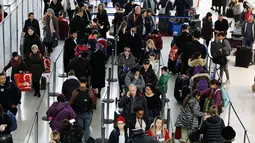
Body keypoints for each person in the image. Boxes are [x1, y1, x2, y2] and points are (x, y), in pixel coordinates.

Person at [69, 77, 94, 142]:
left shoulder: (75, 92)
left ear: (79, 83)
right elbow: (94, 103)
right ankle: (87, 141)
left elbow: (71, 103)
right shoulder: (90, 92)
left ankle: (81, 140)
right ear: (86, 83)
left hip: (78, 113)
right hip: (88, 113)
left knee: (80, 128)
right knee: (87, 128)